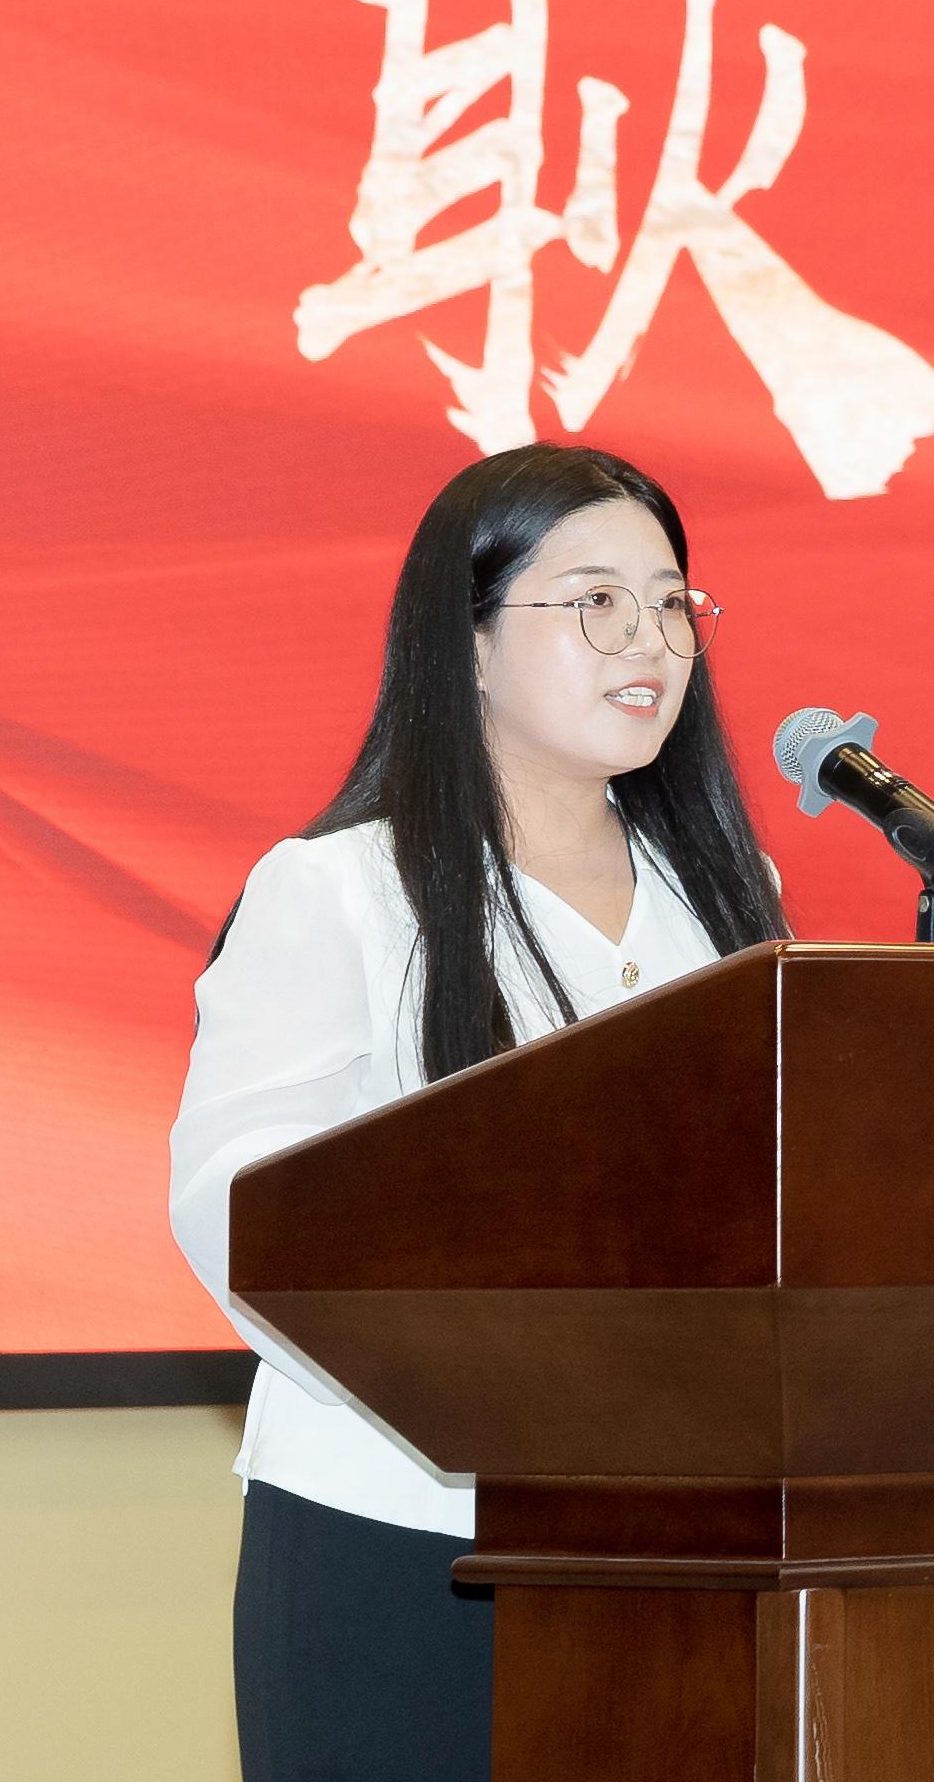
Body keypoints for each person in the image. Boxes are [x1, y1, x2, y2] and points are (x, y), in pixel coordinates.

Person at [167, 447, 791, 1782]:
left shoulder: (729, 894)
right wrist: (479, 1363)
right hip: (403, 1532)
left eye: (671, 603)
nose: (649, 641)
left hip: (675, 1541)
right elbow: (238, 1204)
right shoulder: (340, 890)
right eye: (595, 602)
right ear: (471, 647)